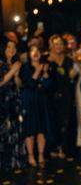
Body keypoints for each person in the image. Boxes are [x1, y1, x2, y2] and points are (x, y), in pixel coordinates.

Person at [20, 46, 53, 166]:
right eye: (32, 51)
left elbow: (48, 85)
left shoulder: (46, 66)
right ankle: (30, 155)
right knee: (30, 128)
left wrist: (44, 72)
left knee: (42, 128)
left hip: (42, 101)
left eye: (38, 51)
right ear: (29, 54)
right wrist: (38, 71)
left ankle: (41, 154)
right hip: (29, 100)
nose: (35, 53)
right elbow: (30, 84)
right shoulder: (25, 68)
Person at [0, 40, 26, 173]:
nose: (12, 49)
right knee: (3, 132)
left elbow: (19, 84)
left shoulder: (15, 63)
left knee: (14, 132)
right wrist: (13, 70)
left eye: (14, 47)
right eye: (9, 46)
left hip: (14, 102)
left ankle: (12, 162)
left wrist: (16, 75)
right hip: (2, 103)